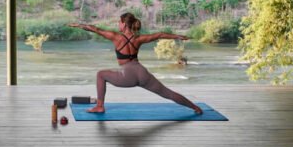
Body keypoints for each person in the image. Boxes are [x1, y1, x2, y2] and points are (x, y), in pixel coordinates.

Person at [68, 12, 202, 115]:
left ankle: (100, 106)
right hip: (142, 72)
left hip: (128, 75)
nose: (118, 25)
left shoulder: (116, 37)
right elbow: (159, 34)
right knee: (168, 93)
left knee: (100, 75)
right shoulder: (139, 38)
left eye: (119, 23)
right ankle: (195, 108)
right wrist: (179, 36)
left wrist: (79, 25)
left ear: (124, 24)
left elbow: (95, 29)